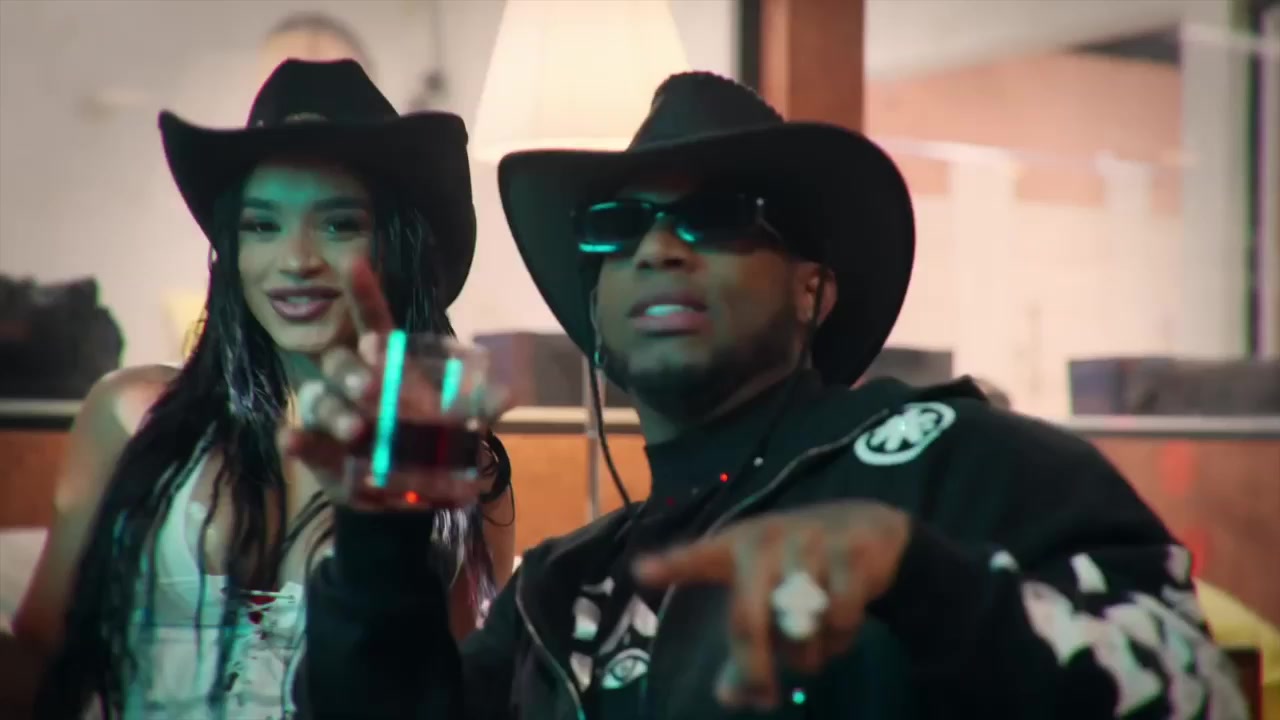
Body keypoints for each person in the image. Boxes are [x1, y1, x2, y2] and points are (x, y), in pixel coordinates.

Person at [290, 72, 1247, 719]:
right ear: (596, 313)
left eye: (716, 217)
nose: (656, 248)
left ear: (812, 289)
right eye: (618, 225)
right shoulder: (564, 587)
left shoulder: (961, 457)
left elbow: (1202, 691)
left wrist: (924, 585)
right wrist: (377, 543)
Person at [0, 59, 515, 719]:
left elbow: (458, 696)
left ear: (397, 245)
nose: (295, 260)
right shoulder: (129, 415)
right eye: (261, 225)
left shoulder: (458, 462)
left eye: (338, 224)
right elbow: (41, 653)